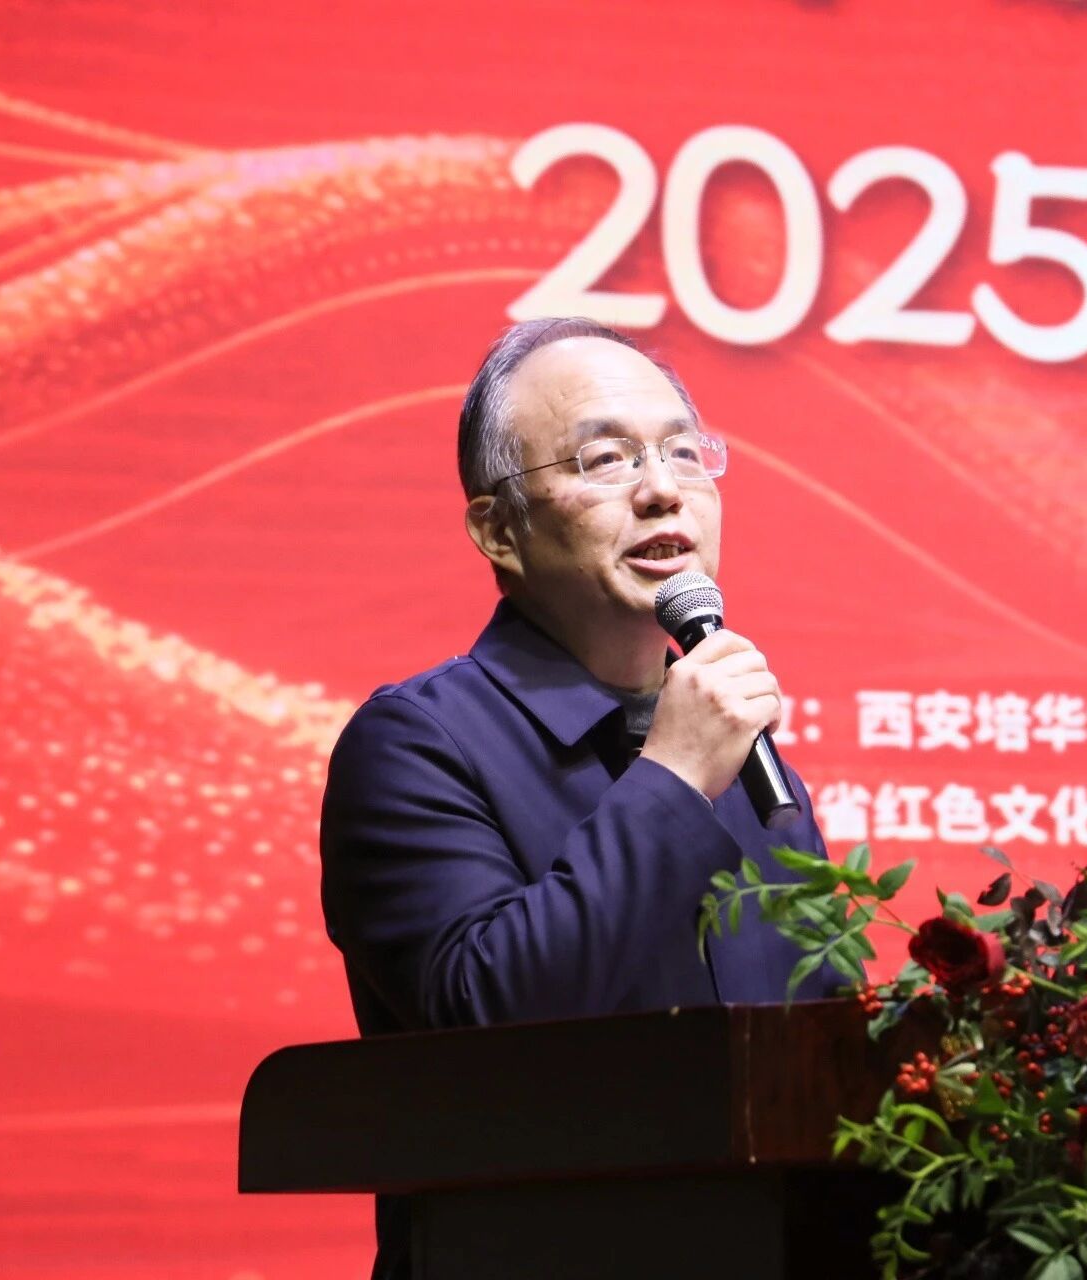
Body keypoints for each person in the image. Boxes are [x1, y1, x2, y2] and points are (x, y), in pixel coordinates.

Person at [318, 317, 832, 1279]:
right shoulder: (417, 744)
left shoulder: (755, 767)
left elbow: (822, 1056)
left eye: (684, 452)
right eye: (606, 459)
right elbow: (488, 1021)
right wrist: (672, 779)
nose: (663, 488)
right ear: (498, 531)